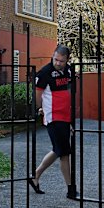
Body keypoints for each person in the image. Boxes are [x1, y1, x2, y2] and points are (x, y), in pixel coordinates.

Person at [28, 45, 77, 199]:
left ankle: (35, 176)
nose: (58, 63)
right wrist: (39, 108)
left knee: (59, 150)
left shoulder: (69, 70)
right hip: (53, 116)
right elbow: (37, 94)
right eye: (55, 59)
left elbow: (70, 90)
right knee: (63, 152)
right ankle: (70, 189)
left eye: (61, 61)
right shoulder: (44, 73)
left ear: (67, 60)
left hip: (65, 117)